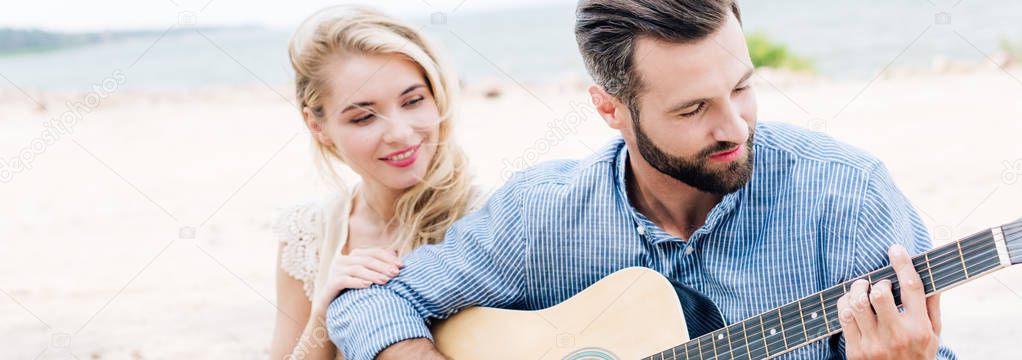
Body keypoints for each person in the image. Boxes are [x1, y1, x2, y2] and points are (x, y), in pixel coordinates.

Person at [327, 1, 958, 359]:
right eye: (692, 109)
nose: (735, 126)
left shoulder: (846, 197)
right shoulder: (542, 214)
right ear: (610, 110)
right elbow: (371, 301)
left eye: (741, 87)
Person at [267, 6, 484, 359]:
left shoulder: (488, 214)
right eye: (364, 117)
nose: (400, 133)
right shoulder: (305, 234)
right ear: (317, 126)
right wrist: (325, 314)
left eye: (413, 101)